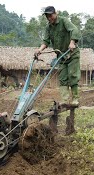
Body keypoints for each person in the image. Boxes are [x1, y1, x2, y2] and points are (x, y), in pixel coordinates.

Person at [34, 6, 81, 135]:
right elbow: (46, 41)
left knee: (72, 75)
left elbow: (74, 30)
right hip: (61, 56)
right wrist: (40, 50)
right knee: (62, 78)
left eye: (51, 15)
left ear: (56, 13)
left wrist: (72, 42)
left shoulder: (64, 21)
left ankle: (75, 98)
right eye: (47, 16)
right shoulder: (48, 27)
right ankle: (65, 99)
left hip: (72, 54)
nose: (49, 18)